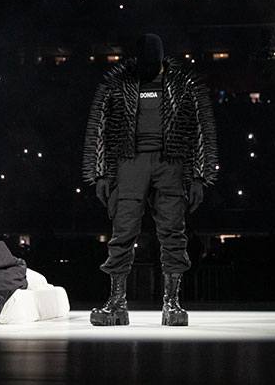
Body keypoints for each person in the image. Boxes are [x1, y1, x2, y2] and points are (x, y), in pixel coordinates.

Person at [82, 33, 219, 326]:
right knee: (122, 232)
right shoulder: (118, 84)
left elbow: (200, 132)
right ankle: (116, 304)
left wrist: (198, 177)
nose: (149, 67)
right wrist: (101, 174)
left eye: (153, 63)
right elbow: (100, 129)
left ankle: (172, 304)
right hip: (128, 162)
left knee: (173, 233)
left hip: (171, 162)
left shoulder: (182, 86)